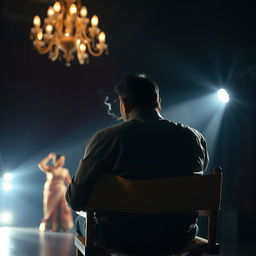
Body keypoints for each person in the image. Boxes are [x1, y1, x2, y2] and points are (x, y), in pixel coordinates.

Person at [66, 74, 209, 254]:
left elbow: (75, 200)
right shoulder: (194, 139)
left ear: (124, 104)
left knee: (82, 223)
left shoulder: (106, 139)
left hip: (118, 239)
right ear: (158, 102)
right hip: (177, 238)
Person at [38, 153, 74, 232]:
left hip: (61, 190)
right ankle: (53, 226)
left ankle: (63, 226)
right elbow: (41, 164)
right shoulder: (50, 169)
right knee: (50, 209)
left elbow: (69, 182)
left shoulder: (65, 171)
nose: (63, 161)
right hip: (50, 191)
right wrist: (48, 157)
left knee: (62, 208)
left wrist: (74, 189)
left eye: (63, 160)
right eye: (61, 159)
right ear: (56, 161)